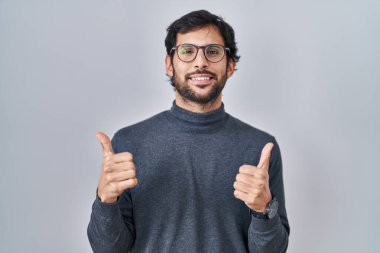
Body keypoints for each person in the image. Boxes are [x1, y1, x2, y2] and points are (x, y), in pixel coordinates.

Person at [87, 10, 290, 253]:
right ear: (169, 65)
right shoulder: (130, 142)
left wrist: (263, 209)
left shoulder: (261, 148)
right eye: (187, 51)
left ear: (231, 66)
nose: (200, 62)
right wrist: (105, 200)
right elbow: (107, 249)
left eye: (213, 52)